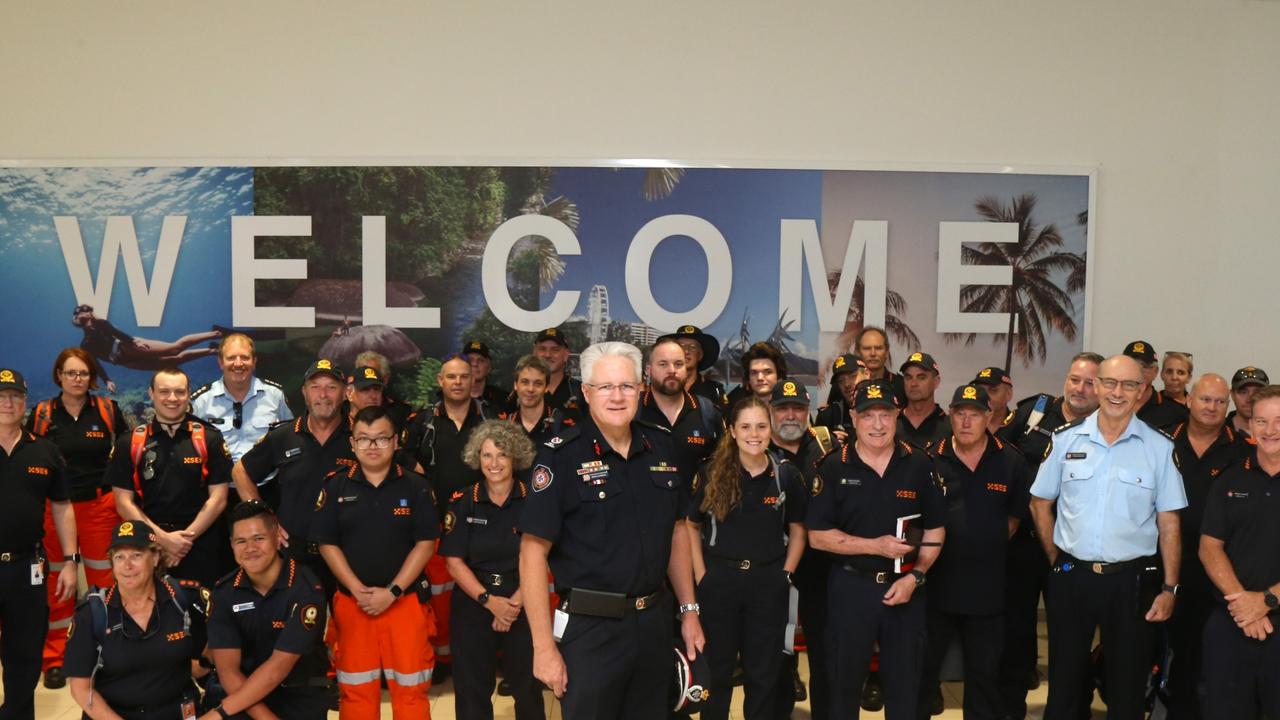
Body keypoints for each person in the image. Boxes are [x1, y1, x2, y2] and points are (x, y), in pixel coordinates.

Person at [517, 341, 705, 720]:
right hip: (591, 631)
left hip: (653, 624)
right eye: (605, 387)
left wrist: (688, 610)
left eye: (626, 386)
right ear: (586, 392)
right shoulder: (560, 456)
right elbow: (532, 553)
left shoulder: (662, 447)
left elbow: (677, 532)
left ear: (641, 389)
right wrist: (542, 647)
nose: (617, 396)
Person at [1029, 354, 1186, 720]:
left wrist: (1170, 589)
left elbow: (1170, 524)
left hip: (1132, 581)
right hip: (1072, 577)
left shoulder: (1159, 448)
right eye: (1111, 383)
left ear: (1142, 392)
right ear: (1097, 386)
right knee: (1065, 680)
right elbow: (1040, 503)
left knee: (1127, 685)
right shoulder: (1066, 440)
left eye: (1129, 385)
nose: (1118, 392)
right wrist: (1058, 559)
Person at [806, 378, 946, 720]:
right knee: (843, 686)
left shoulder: (920, 464)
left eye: (886, 414)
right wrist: (875, 546)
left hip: (905, 590)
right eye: (869, 415)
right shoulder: (833, 465)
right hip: (851, 588)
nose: (878, 424)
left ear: (897, 414)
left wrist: (917, 576)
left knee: (905, 689)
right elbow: (817, 536)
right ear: (854, 417)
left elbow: (936, 529)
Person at [312, 406, 438, 720]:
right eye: (364, 439)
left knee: (411, 692)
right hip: (353, 605)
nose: (372, 446)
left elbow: (425, 544)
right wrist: (357, 590)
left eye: (381, 439)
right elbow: (327, 544)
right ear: (352, 444)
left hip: (405, 604)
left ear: (395, 442)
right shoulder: (336, 486)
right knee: (356, 695)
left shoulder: (416, 486)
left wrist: (393, 591)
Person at [995, 350, 1103, 719]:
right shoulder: (1032, 414)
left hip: (1072, 553)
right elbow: (996, 458)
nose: (1081, 388)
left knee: (1070, 640)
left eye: (1091, 382)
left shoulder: (1108, 428)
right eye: (1076, 379)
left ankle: (1071, 711)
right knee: (1015, 635)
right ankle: (1010, 712)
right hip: (1023, 548)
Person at [687, 396, 806, 720]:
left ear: (770, 429)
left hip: (768, 584)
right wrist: (701, 575)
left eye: (761, 426)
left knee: (763, 673)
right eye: (746, 426)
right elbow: (690, 524)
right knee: (718, 671)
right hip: (719, 583)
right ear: (732, 430)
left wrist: (786, 573)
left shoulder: (785, 475)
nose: (754, 434)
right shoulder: (712, 472)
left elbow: (798, 529)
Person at [918, 383, 1032, 720]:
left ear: (988, 417)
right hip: (934, 588)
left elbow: (1014, 519)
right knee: (922, 674)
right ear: (950, 415)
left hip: (988, 590)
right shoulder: (928, 457)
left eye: (975, 415)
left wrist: (981, 544)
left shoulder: (1009, 459)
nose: (967, 422)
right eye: (960, 414)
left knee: (984, 679)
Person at [25, 347, 128, 690]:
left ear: (91, 377)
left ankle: (110, 651)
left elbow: (128, 451)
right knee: (58, 586)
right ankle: (55, 659)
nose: (77, 379)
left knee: (108, 585)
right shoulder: (41, 414)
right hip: (54, 511)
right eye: (70, 373)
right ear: (59, 376)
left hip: (100, 509)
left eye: (83, 373)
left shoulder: (107, 410)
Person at [439, 420, 546, 720]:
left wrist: (514, 604)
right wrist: (490, 601)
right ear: (477, 459)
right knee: (472, 688)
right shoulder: (463, 501)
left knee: (528, 687)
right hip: (474, 603)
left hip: (524, 600)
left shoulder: (535, 500)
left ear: (516, 458)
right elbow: (453, 562)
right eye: (487, 455)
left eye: (502, 454)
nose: (494, 463)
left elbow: (545, 557)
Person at [232, 359, 355, 596]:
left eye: (331, 387)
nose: (323, 395)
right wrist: (265, 519)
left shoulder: (360, 437)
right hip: (295, 558)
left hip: (349, 555)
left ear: (345, 393)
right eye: (315, 387)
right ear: (304, 393)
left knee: (345, 630)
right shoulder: (284, 436)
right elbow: (241, 472)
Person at [1164, 374, 1248, 719]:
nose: (1212, 407)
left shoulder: (1243, 451)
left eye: (1219, 402)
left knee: (1203, 656)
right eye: (1205, 400)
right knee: (1154, 651)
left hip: (1215, 571)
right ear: (1188, 400)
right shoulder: (1162, 443)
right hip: (1162, 566)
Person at [65, 520, 209, 720]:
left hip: (177, 712)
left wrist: (209, 660)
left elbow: (203, 663)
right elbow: (80, 689)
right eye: (119, 557)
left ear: (156, 557)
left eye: (136, 555)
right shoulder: (93, 613)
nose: (127, 565)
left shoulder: (183, 599)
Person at [106, 367, 234, 586]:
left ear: (188, 394)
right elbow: (123, 503)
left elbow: (219, 498)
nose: (172, 398)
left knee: (205, 615)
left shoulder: (209, 438)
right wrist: (164, 540)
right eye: (164, 391)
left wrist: (184, 541)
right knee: (153, 615)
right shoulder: (129, 443)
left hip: (201, 544)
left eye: (179, 392)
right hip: (150, 547)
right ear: (151, 394)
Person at [403, 353, 489, 676]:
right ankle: (442, 659)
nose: (457, 383)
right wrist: (415, 466)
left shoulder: (487, 418)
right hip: (435, 523)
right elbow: (401, 453)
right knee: (440, 597)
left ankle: (477, 659)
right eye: (451, 377)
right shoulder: (422, 420)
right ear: (441, 381)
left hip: (481, 523)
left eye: (463, 376)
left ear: (473, 379)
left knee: (477, 592)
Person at [204, 501, 330, 720]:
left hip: (300, 696)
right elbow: (228, 672)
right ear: (232, 545)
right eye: (241, 541)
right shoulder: (224, 592)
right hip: (246, 696)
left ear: (277, 536)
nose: (250, 549)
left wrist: (219, 713)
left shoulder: (307, 588)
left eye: (258, 539)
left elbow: (277, 668)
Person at [0, 367, 78, 720]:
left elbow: (63, 508)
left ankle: (17, 714)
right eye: (1, 397)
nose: (8, 403)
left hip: (26, 568)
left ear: (25, 402)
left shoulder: (45, 451)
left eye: (15, 396)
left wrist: (70, 562)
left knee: (25, 653)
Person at [1199, 384, 1280, 719]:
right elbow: (1209, 547)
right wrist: (1243, 603)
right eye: (1261, 421)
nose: (1270, 430)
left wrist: (1266, 601)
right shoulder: (1229, 479)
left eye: (1279, 421)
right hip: (1232, 622)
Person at [769, 380, 839, 720]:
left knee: (826, 655)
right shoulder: (756, 449)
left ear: (807, 410)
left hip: (822, 570)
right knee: (775, 655)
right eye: (783, 408)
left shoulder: (827, 448)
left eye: (797, 408)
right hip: (773, 569)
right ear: (771, 411)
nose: (791, 415)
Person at [190, 333, 293, 463]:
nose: (238, 364)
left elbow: (290, 439)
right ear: (221, 362)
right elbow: (191, 448)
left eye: (244, 357)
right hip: (220, 482)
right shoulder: (201, 401)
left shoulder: (275, 395)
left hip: (267, 482)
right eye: (231, 358)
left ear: (254, 362)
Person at [638, 337, 723, 487]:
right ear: (649, 370)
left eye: (678, 364)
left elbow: (723, 467)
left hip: (695, 508)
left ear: (686, 369)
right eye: (663, 364)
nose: (672, 370)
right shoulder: (632, 410)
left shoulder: (707, 412)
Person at [72, 304, 222, 382]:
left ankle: (216, 333)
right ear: (79, 324)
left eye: (90, 318)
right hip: (126, 362)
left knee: (174, 349)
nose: (89, 323)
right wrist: (108, 380)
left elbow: (117, 333)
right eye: (84, 320)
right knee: (173, 362)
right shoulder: (85, 345)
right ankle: (212, 351)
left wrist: (133, 342)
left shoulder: (101, 324)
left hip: (128, 347)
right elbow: (95, 364)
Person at [505, 354, 573, 445]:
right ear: (515, 385)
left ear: (546, 388)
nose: (530, 389)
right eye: (525, 382)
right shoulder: (503, 428)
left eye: (538, 383)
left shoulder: (564, 426)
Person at [1125, 340, 1188, 432]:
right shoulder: (1110, 404)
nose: (1137, 372)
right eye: (1131, 365)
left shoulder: (1177, 412)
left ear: (1155, 371)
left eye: (1144, 366)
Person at [668, 325, 729, 410]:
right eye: (681, 346)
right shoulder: (663, 386)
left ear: (700, 355)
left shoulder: (713, 390)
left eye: (692, 347)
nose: (686, 351)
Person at [897, 352, 948, 450]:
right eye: (908, 377)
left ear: (936, 382)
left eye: (921, 377)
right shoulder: (891, 424)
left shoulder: (950, 427)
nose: (914, 383)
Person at [354, 351, 413, 431]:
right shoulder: (343, 409)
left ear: (385, 379)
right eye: (361, 374)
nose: (367, 378)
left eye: (373, 374)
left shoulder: (401, 412)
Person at [814, 353, 868, 437]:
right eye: (841, 380)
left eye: (852, 376)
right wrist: (833, 445)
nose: (846, 384)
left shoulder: (886, 408)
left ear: (866, 374)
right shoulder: (828, 417)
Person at [532, 328, 582, 413]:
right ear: (534, 353)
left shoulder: (580, 392)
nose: (547, 355)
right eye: (542, 349)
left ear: (566, 354)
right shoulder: (522, 390)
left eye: (555, 350)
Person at [855, 326, 907, 407]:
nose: (873, 353)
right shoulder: (848, 385)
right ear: (858, 353)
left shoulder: (901, 385)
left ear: (886, 352)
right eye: (867, 348)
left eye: (878, 348)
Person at [727, 341, 787, 406]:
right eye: (754, 373)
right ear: (748, 378)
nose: (760, 378)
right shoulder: (734, 406)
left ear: (779, 376)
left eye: (767, 372)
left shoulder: (793, 406)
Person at [464, 340, 510, 415]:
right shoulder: (451, 397)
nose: (475, 364)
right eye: (470, 360)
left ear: (489, 368)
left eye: (480, 360)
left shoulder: (503, 399)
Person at [1226, 366, 1269, 437]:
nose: (1250, 399)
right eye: (1243, 392)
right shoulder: (1218, 432)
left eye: (1257, 392)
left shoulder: (1276, 431)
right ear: (1232, 394)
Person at [972, 366, 1014, 435]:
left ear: (1008, 394)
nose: (985, 395)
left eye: (993, 390)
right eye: (980, 390)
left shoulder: (1018, 427)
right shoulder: (964, 425)